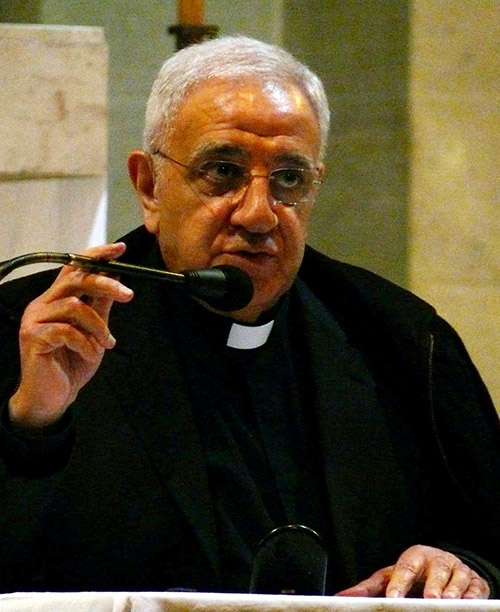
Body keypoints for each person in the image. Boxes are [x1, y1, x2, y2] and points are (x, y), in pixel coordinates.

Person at [0, 36, 499, 599]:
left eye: (289, 179)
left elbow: (489, 543)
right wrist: (31, 427)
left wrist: (460, 565)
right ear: (149, 186)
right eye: (223, 171)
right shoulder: (39, 333)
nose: (259, 214)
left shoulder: (402, 341)